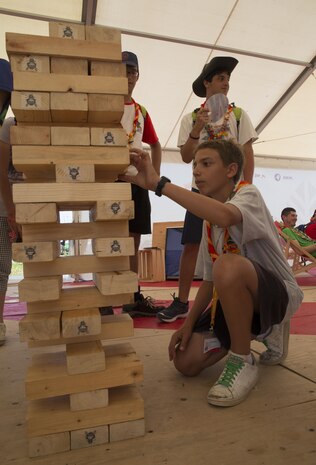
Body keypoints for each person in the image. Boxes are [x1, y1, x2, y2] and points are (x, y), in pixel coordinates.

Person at [120, 140, 303, 407]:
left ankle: (243, 358)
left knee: (228, 265)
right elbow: (208, 282)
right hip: (235, 298)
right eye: (195, 165)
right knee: (186, 361)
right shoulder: (209, 221)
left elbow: (226, 217)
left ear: (231, 170)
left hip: (279, 295)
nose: (196, 171)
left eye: (206, 164)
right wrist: (189, 323)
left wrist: (159, 185)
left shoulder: (248, 194)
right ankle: (256, 330)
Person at [157, 56, 257, 323]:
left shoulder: (237, 114)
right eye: (221, 78)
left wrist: (245, 187)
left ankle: (237, 296)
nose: (226, 83)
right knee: (191, 244)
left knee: (237, 244)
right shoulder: (191, 118)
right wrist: (199, 127)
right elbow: (187, 156)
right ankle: (181, 302)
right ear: (207, 83)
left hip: (233, 195)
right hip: (199, 193)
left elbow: (247, 151)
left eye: (227, 79)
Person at [119, 51, 164, 316]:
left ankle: (131, 297)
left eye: (131, 71)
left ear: (137, 75)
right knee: (109, 239)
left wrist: (152, 178)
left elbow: (156, 145)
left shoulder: (141, 111)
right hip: (110, 182)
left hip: (136, 183)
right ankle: (103, 300)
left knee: (133, 241)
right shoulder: (104, 105)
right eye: (122, 70)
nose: (127, 76)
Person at [0, 59, 22, 345]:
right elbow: (2, 173)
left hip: (31, 208)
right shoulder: (8, 127)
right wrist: (12, 212)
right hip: (7, 209)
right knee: (3, 266)